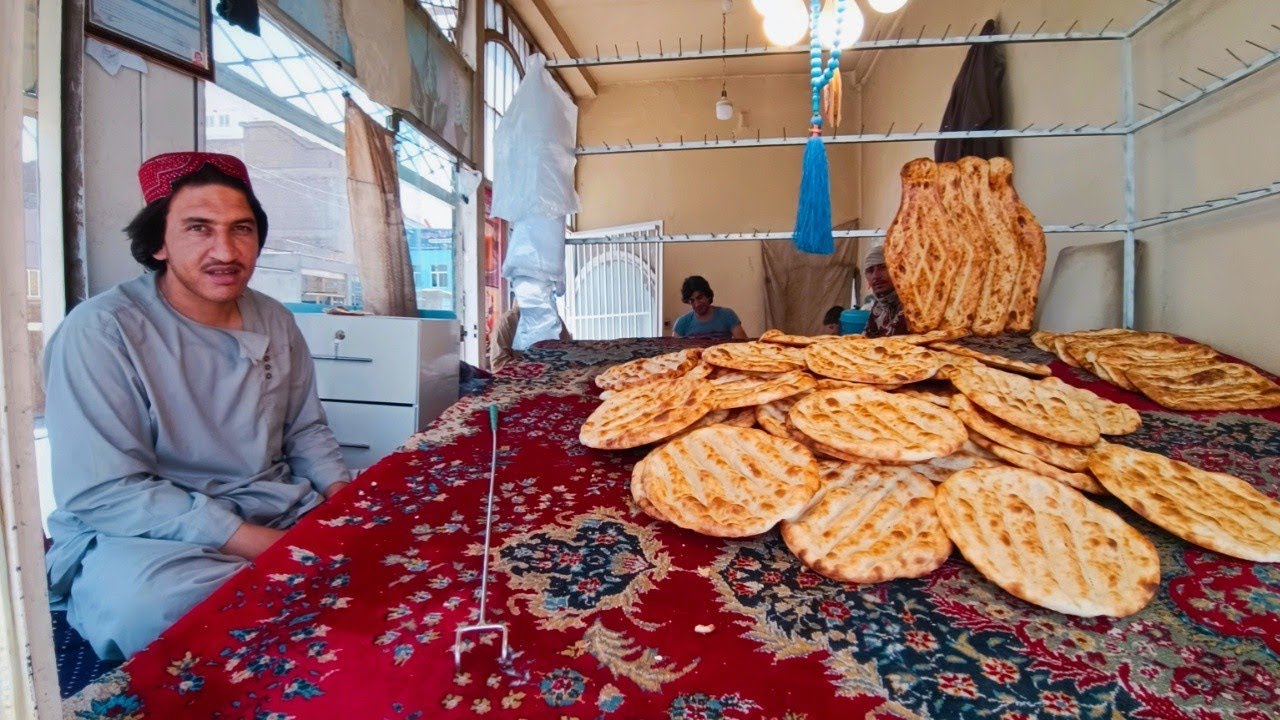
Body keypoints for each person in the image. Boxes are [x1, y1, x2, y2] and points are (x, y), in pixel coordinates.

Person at [43, 152, 352, 660]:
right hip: (148, 536)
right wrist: (266, 548)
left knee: (380, 555)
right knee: (159, 608)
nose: (225, 250)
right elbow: (107, 491)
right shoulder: (102, 331)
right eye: (199, 229)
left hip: (270, 503)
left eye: (242, 229)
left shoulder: (274, 318)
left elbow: (305, 431)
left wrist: (342, 497)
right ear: (158, 243)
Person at [488, 303, 572, 372]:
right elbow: (498, 365)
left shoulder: (553, 319)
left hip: (555, 381)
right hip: (520, 385)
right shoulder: (507, 322)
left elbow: (570, 352)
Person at [672, 276, 747, 339]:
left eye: (700, 297)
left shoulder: (727, 315)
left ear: (708, 296)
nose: (697, 304)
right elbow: (673, 353)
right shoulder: (682, 322)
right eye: (692, 301)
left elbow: (744, 347)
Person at [863, 246, 909, 338]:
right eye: (870, 270)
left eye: (883, 267)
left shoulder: (912, 305)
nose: (876, 276)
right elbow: (867, 340)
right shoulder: (878, 307)